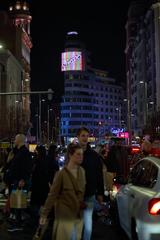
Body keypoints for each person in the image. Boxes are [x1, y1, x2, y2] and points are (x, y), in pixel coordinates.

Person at [39, 143, 86, 240]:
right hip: (64, 216)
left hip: (78, 216)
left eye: (82, 154)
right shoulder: (61, 174)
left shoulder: (82, 172)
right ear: (70, 155)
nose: (81, 157)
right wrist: (44, 214)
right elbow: (52, 195)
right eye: (78, 154)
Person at [77, 127, 104, 240]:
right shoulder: (72, 153)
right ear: (78, 137)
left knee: (88, 225)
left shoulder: (94, 156)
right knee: (75, 224)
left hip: (89, 193)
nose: (85, 138)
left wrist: (100, 193)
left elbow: (99, 175)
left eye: (86, 136)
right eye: (83, 135)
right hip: (75, 194)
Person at [7, 134, 32, 232]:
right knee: (17, 202)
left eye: (15, 139)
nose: (14, 140)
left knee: (18, 203)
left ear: (19, 140)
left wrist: (23, 179)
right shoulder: (20, 151)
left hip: (20, 181)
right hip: (17, 180)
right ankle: (18, 222)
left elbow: (27, 167)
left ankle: (19, 223)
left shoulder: (24, 152)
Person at [30, 145, 50, 218]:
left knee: (36, 203)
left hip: (37, 184)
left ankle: (36, 219)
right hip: (43, 184)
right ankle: (42, 217)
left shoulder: (37, 160)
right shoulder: (46, 159)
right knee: (42, 201)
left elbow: (33, 170)